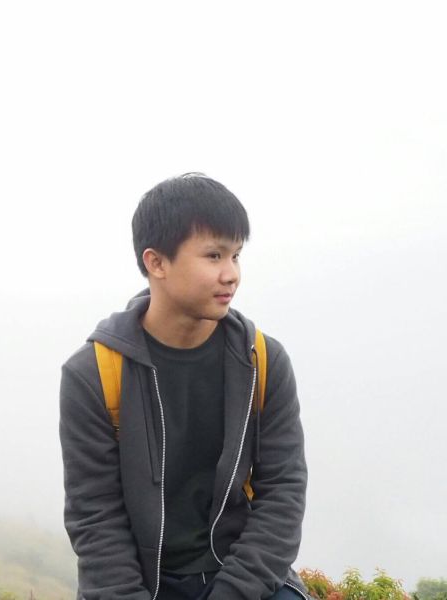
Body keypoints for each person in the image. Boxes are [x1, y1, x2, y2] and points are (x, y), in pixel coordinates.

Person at [59, 173, 308, 600]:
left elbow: (283, 492)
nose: (231, 274)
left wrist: (233, 592)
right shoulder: (94, 374)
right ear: (156, 263)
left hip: (241, 576)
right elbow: (95, 518)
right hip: (142, 584)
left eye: (236, 255)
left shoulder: (262, 361)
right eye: (213, 255)